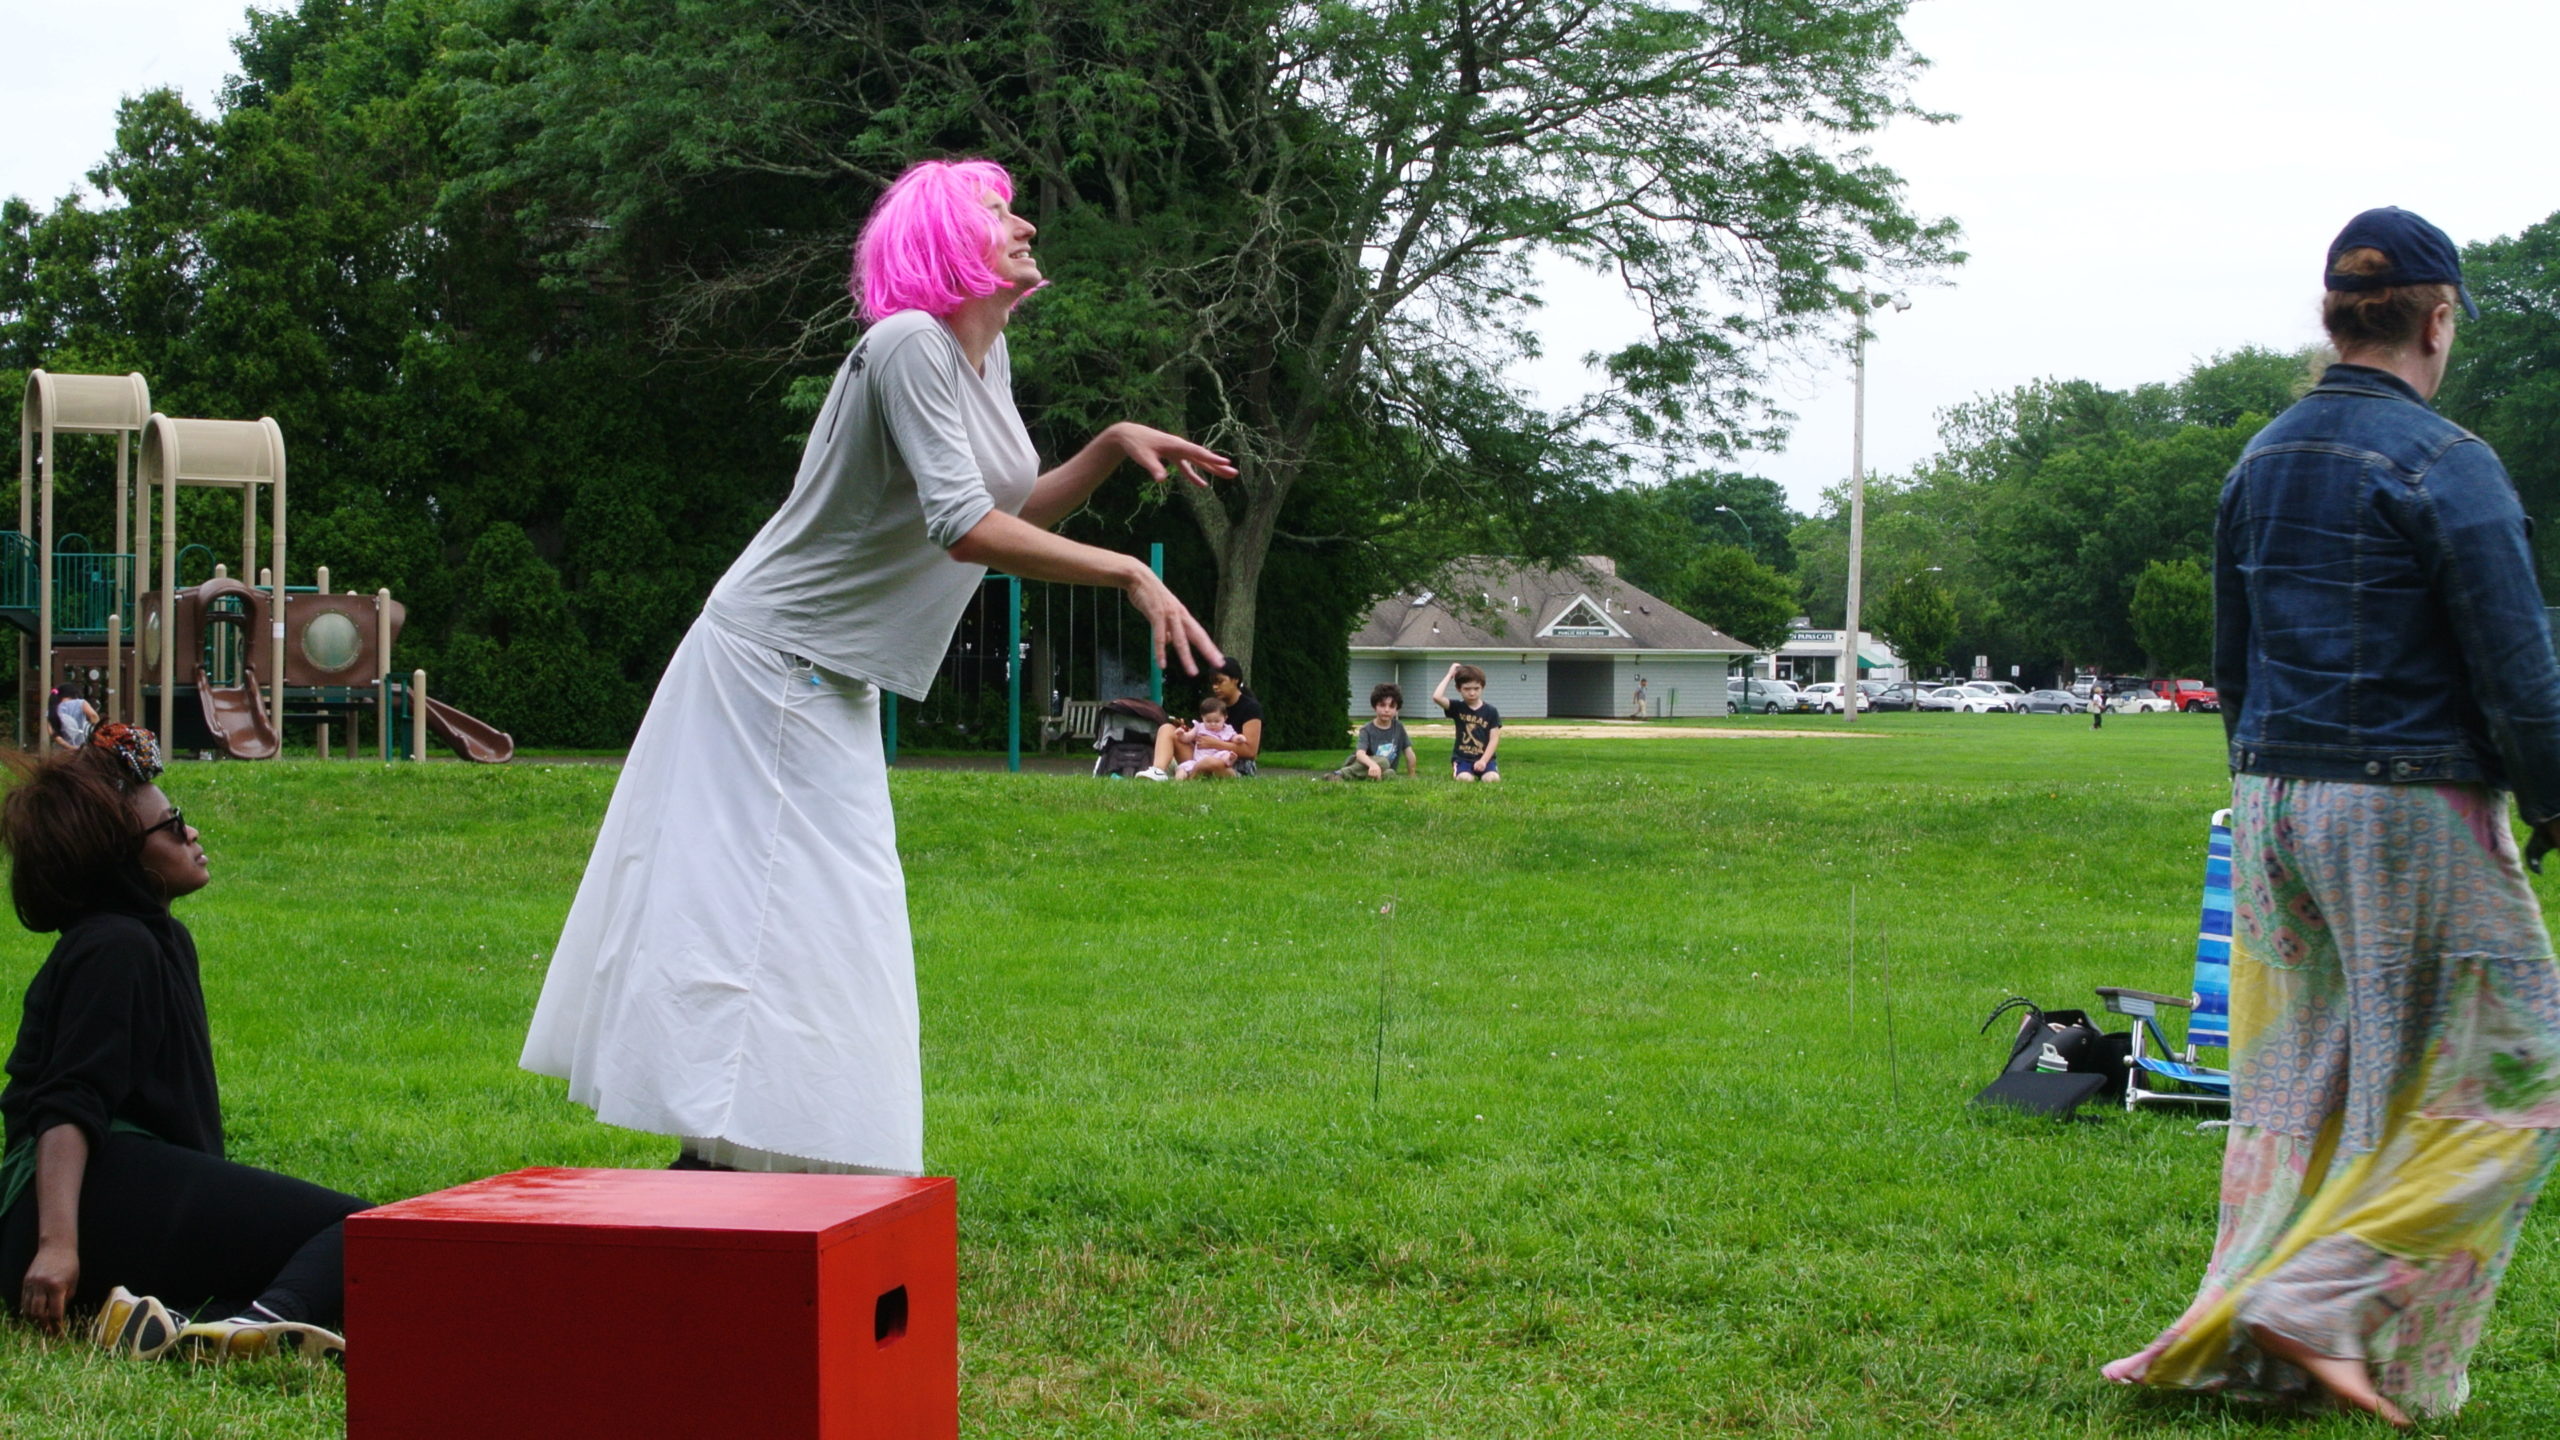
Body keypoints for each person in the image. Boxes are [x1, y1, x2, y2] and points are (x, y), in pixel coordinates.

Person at [521, 159, 1232, 1177]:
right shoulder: (905, 345)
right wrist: (1127, 571)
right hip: (767, 665)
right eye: (997, 214)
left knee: (817, 922)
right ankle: (725, 1165)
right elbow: (961, 528)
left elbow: (1012, 510)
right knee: (776, 916)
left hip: (831, 675)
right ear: (947, 242)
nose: (1024, 223)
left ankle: (743, 1164)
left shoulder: (984, 364)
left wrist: (1110, 447)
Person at [2103, 207, 2560, 1426]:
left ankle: (2233, 1347)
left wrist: (2269, 789)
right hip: (2405, 804)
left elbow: (2233, 661)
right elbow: (2518, 668)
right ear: (2440, 313)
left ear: (2334, 314)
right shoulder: (2446, 461)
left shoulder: (2261, 456)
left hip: (2271, 804)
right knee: (2523, 1077)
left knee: (2302, 1090)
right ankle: (2317, 1304)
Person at [1, 725, 365, 1363]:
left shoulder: (158, 939)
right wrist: (58, 1247)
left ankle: (172, 1324)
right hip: (73, 1203)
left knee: (334, 1274)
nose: (191, 833)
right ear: (124, 857)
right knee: (368, 1235)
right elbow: (67, 1101)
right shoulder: (115, 944)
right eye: (173, 826)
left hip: (122, 1204)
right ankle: (254, 1328)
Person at [1138, 658, 1262, 781]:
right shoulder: (1214, 704)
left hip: (1232, 764)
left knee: (1209, 763)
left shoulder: (1250, 708)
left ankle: (1189, 779)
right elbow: (1203, 734)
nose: (1215, 687)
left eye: (1220, 682)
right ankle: (1158, 771)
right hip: (1202, 756)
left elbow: (1250, 752)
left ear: (1235, 680)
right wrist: (1187, 732)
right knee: (1167, 729)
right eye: (1213, 683)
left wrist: (1215, 744)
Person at [1322, 684, 1416, 781]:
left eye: (1392, 706)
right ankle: (1340, 773)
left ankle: (1348, 779)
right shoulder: (1367, 729)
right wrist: (1373, 764)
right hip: (1362, 764)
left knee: (1390, 773)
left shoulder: (1399, 728)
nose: (1387, 710)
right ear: (1374, 706)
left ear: (1397, 709)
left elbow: (1409, 754)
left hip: (1381, 770)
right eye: (1382, 705)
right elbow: (1360, 754)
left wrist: (1412, 776)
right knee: (1384, 762)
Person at [1433, 663, 1502, 782]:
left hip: (1485, 758)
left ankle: (1485, 770)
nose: (1472, 693)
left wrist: (1484, 761)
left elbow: (1494, 739)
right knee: (1465, 779)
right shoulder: (1457, 707)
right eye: (1467, 689)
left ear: (1482, 687)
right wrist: (1450, 675)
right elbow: (1437, 697)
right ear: (1458, 689)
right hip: (1463, 759)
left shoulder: (1491, 711)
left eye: (1476, 688)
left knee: (1492, 779)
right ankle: (1461, 771)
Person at [1172, 696, 1239, 781]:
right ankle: (1179, 781)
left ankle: (1229, 760)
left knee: (1226, 753)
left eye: (1217, 721)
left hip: (1217, 757)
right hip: (1198, 760)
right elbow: (1187, 737)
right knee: (1182, 767)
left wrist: (1239, 738)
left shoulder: (1226, 729)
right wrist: (1181, 735)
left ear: (1225, 718)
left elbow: (1234, 737)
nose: (1213, 724)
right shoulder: (1199, 727)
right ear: (1202, 718)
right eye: (1208, 721)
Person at [46, 684, 95, 753]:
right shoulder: (81, 703)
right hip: (83, 749)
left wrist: (69, 747)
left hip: (62, 753)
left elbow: (52, 732)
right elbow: (93, 716)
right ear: (74, 694)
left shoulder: (53, 709)